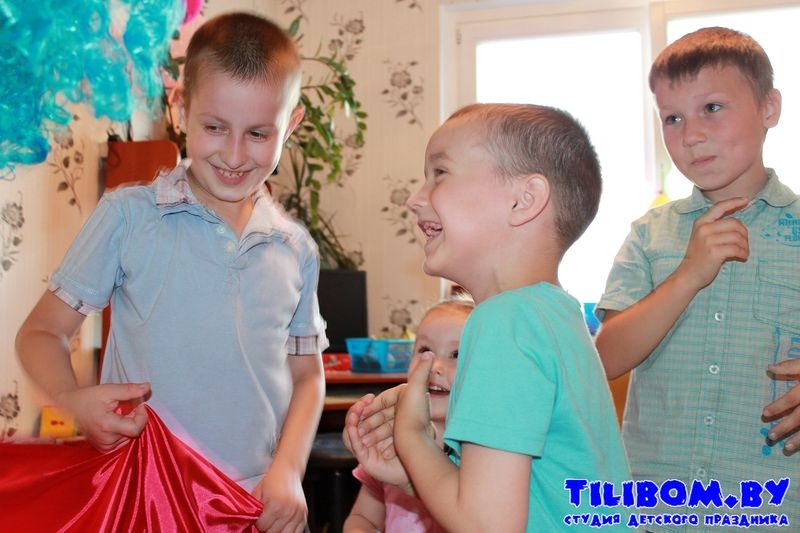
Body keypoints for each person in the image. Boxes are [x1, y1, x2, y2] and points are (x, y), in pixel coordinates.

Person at [15, 12, 326, 533]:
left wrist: (289, 471)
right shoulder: (127, 217)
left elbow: (307, 375)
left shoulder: (296, 250)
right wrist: (71, 401)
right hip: (142, 499)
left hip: (252, 506)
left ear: (290, 126)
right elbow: (41, 333)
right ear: (180, 108)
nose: (233, 154)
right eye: (214, 127)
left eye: (257, 133)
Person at [346, 103, 631, 532]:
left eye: (439, 173)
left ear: (524, 200)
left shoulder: (504, 322)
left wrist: (412, 437)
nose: (415, 199)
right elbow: (523, 501)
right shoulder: (552, 316)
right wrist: (413, 474)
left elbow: (487, 526)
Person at [594, 26, 800, 528]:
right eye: (672, 118)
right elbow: (606, 357)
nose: (690, 135)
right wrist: (688, 274)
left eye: (712, 108)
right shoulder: (649, 234)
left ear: (769, 108)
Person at [344, 298, 473, 533]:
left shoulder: (483, 460)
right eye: (425, 350)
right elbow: (363, 518)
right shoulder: (390, 444)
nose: (433, 365)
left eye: (456, 354)